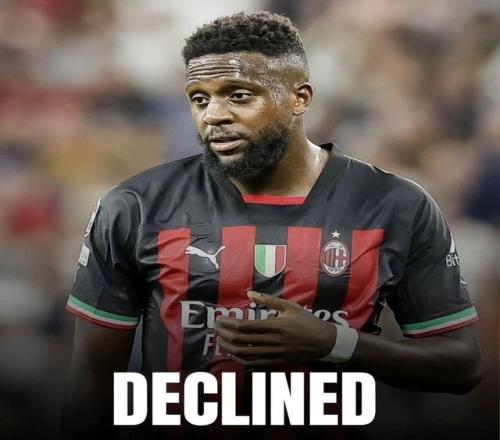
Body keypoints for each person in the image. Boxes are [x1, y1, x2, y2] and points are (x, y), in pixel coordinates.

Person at [63, 11, 482, 439]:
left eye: (238, 95)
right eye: (200, 98)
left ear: (300, 98)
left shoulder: (396, 206)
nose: (214, 115)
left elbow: (461, 364)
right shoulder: (135, 207)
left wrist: (334, 343)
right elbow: (94, 374)